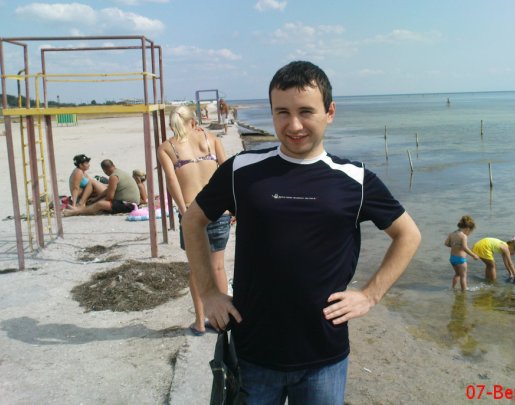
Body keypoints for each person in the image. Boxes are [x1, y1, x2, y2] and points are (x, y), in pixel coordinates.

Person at [183, 61, 421, 403]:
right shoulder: (241, 170)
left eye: (306, 111)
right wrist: (209, 293)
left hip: (324, 358)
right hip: (253, 352)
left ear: (329, 112)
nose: (294, 125)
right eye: (282, 112)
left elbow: (408, 235)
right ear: (272, 113)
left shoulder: (355, 179)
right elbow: (193, 221)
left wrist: (370, 295)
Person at [157, 105, 229, 335]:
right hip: (219, 211)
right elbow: (227, 172)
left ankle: (200, 322)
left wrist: (183, 212)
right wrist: (233, 206)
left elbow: (172, 181)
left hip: (192, 211)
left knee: (197, 269)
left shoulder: (167, 147)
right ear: (193, 121)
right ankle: (223, 320)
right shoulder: (211, 139)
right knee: (218, 266)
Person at [63, 159, 140, 216]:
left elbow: (109, 197)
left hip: (128, 205)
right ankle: (81, 207)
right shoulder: (119, 172)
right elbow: (109, 190)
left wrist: (96, 202)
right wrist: (96, 199)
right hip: (132, 203)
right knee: (98, 202)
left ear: (104, 170)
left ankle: (77, 211)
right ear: (113, 165)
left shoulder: (113, 177)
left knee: (99, 204)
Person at [444, 215, 480, 291]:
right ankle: (464, 291)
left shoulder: (452, 234)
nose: (469, 233)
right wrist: (473, 255)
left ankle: (453, 288)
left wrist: (455, 245)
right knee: (463, 276)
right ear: (467, 229)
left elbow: (446, 243)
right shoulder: (463, 236)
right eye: (470, 231)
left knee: (457, 274)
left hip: (452, 258)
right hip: (460, 259)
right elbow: (464, 248)